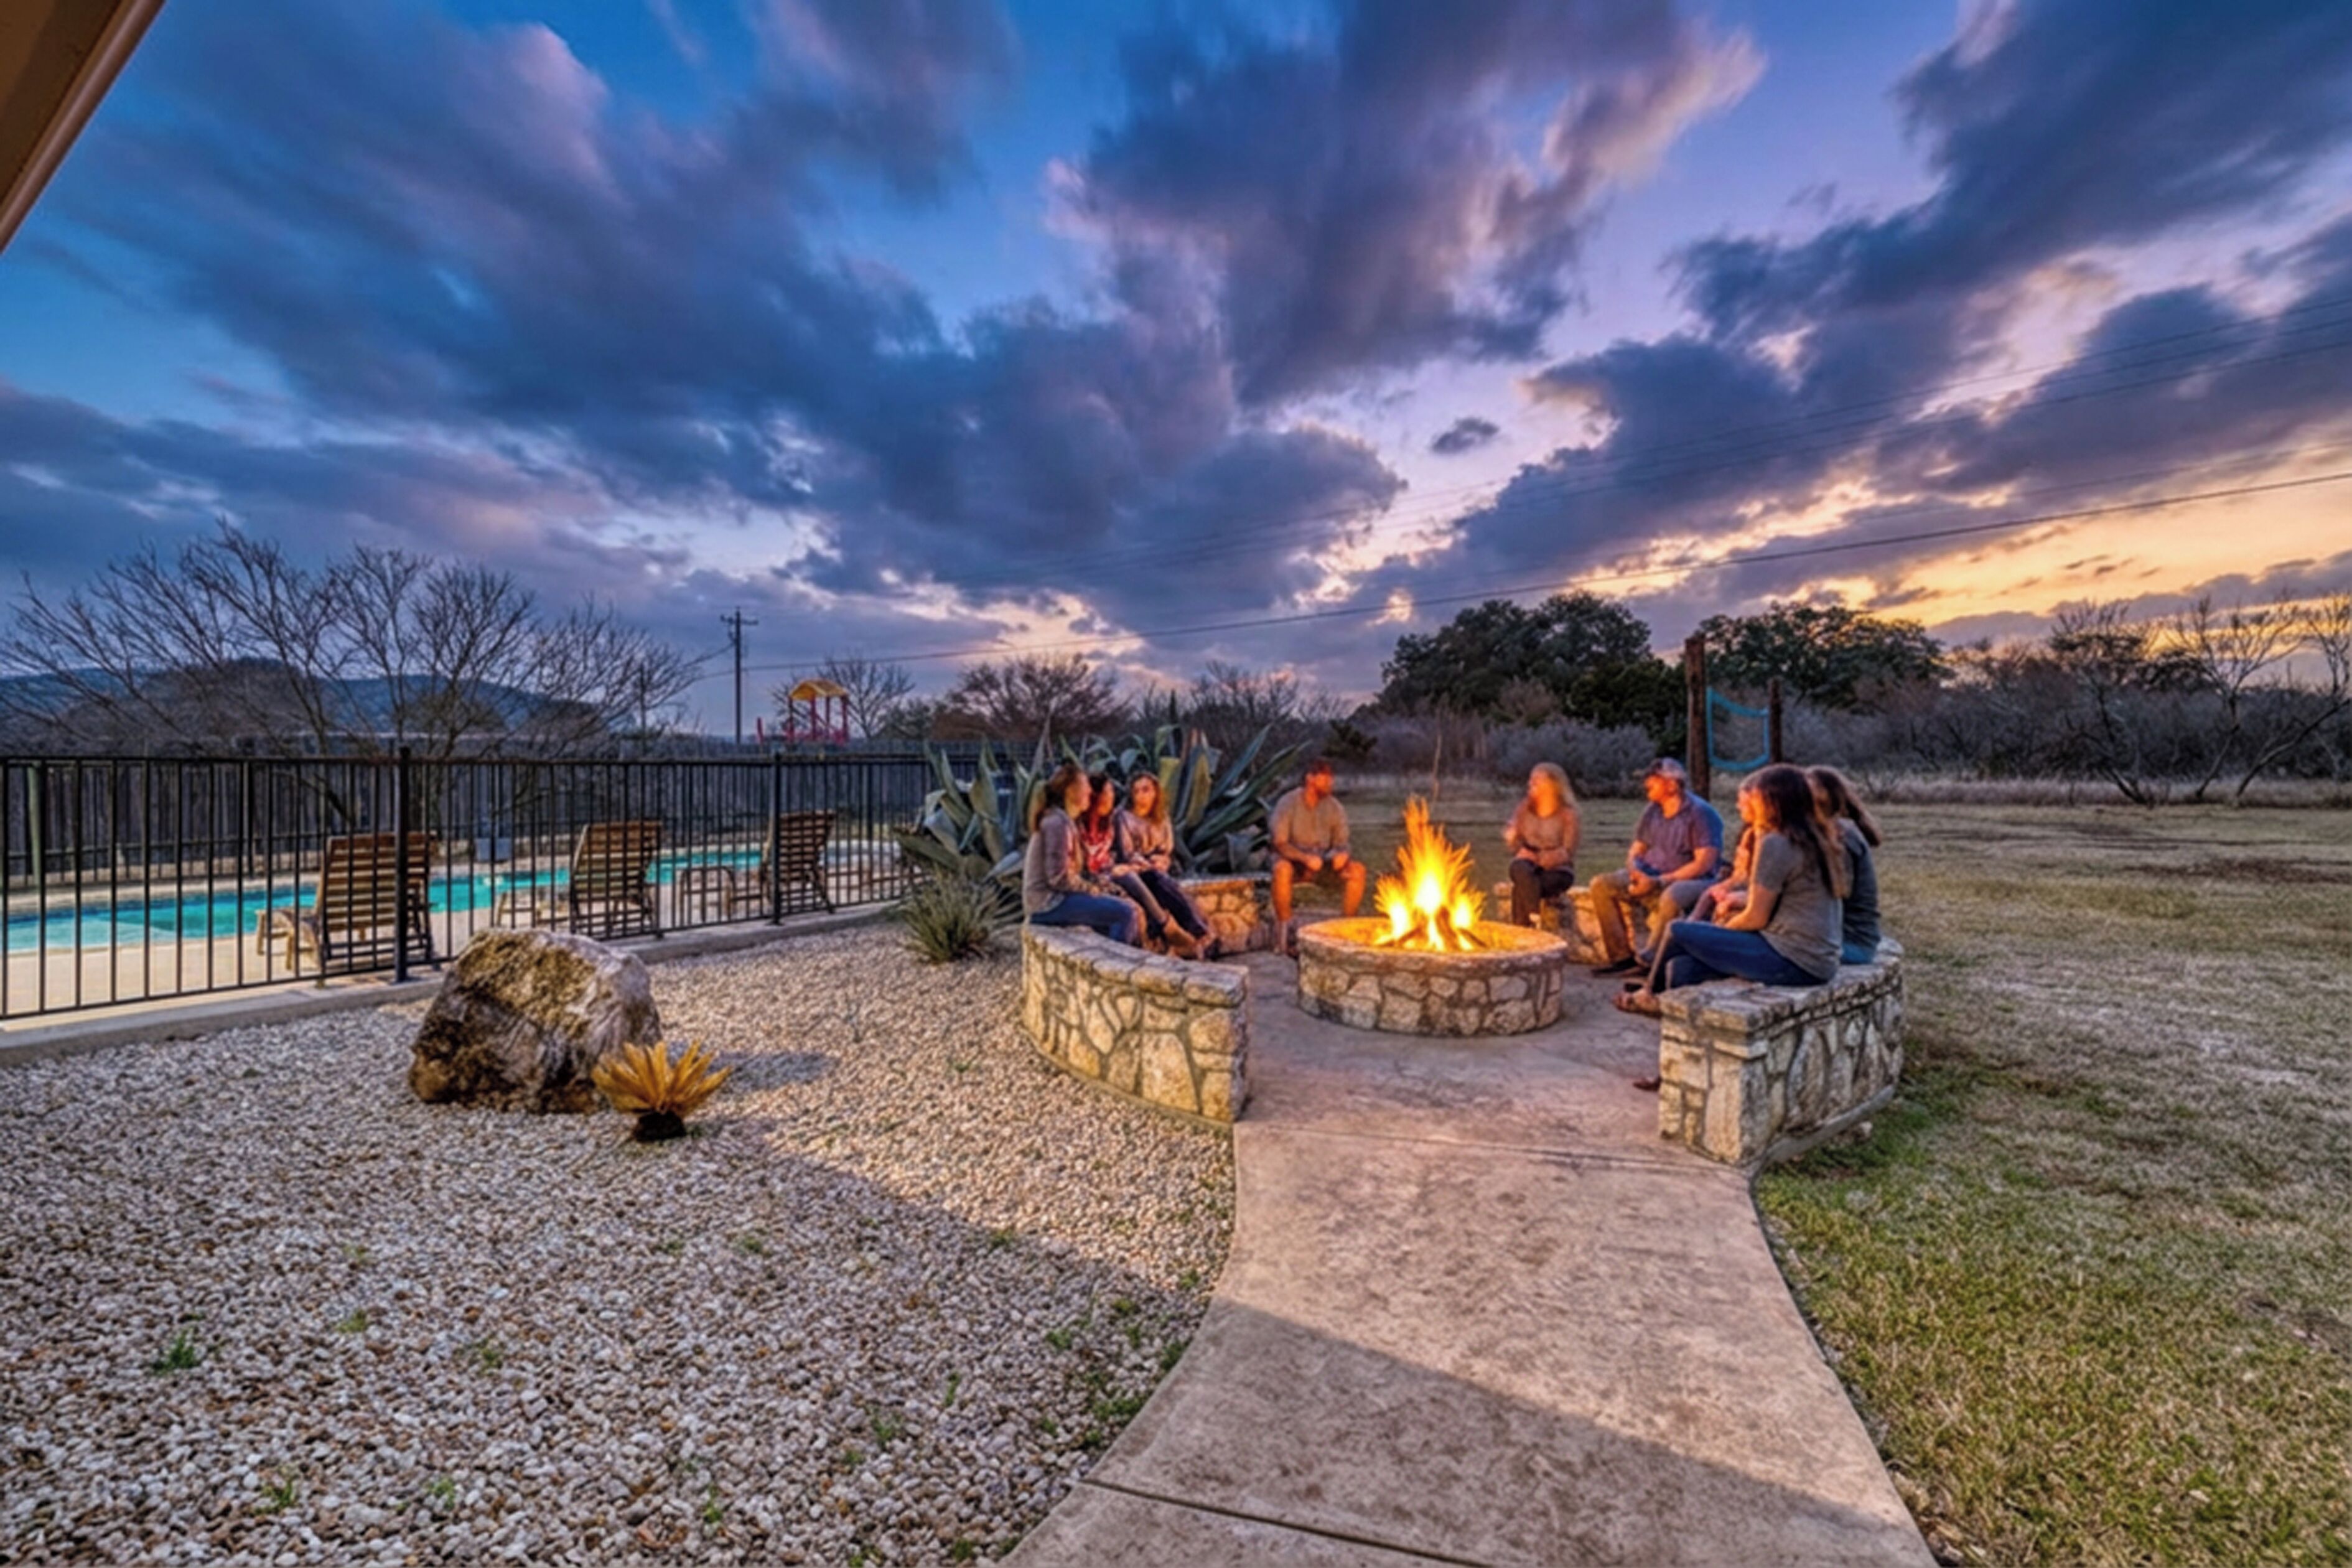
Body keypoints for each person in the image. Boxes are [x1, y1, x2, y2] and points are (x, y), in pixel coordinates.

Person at [1618, 765, 1852, 1079]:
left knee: (1679, 931)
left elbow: (1756, 916)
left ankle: (1648, 995)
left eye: (1754, 799)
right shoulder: (1812, 837)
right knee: (1681, 970)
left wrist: (1716, 933)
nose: (1747, 805)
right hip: (1810, 957)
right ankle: (1676, 1071)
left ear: (1773, 802)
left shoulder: (1777, 843)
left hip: (1793, 958)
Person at [1587, 758, 1723, 976]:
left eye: (1654, 779)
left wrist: (1660, 881)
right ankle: (1621, 957)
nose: (1647, 784)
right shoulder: (1653, 811)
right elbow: (1636, 849)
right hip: (1649, 873)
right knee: (1602, 885)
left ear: (1672, 784)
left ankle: (1651, 960)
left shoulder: (1700, 814)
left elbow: (1704, 862)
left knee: (1672, 895)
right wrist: (1635, 872)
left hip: (1686, 879)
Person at [1022, 763, 1142, 946]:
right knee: (1125, 914)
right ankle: (1114, 968)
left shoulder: (1064, 821)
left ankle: (1109, 960)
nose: (1090, 792)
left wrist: (1099, 888)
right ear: (1072, 791)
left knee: (1117, 910)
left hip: (1055, 899)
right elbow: (1058, 878)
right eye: (1086, 786)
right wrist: (1090, 889)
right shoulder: (1057, 824)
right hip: (1048, 904)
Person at [1112, 773, 1213, 959]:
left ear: (1156, 793)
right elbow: (1127, 852)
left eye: (1146, 790)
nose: (1141, 796)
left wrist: (1160, 861)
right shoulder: (1123, 817)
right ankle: (1198, 930)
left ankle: (1192, 935)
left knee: (1164, 884)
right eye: (1136, 791)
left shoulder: (1162, 818)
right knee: (1161, 881)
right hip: (1135, 870)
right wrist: (1148, 863)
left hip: (1156, 869)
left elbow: (1167, 849)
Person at [1269, 757, 1365, 951]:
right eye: (1326, 779)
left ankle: (1346, 931)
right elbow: (1279, 843)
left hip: (1324, 862)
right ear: (1310, 779)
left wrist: (1341, 855)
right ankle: (1285, 936)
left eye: (1331, 779)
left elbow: (1343, 843)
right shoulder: (1288, 803)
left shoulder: (1334, 807)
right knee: (1281, 870)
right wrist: (1304, 858)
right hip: (1295, 860)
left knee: (1357, 871)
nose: (1331, 783)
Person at [1810, 765, 1883, 964]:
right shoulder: (1835, 833)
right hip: (1839, 939)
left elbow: (1832, 897)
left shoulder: (1842, 840)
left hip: (1851, 944)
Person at [1503, 762, 1581, 926]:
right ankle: (1534, 915)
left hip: (1556, 870)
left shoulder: (1568, 815)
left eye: (1537, 780)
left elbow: (1568, 851)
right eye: (1531, 780)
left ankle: (1523, 928)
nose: (1531, 784)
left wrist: (1540, 859)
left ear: (1552, 785)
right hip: (1528, 865)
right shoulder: (1524, 809)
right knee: (1519, 870)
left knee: (1523, 888)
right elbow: (1515, 839)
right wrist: (1515, 843)